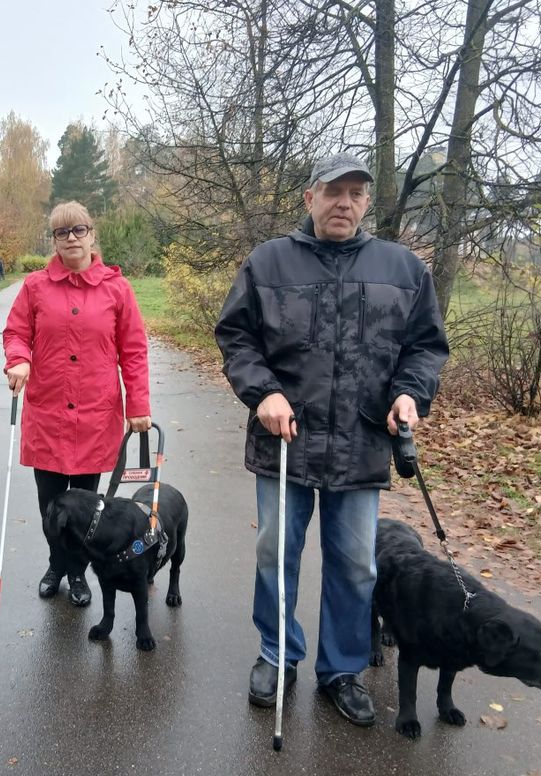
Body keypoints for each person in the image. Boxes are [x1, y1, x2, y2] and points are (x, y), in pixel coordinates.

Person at [214, 153, 448, 727]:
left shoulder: (402, 268)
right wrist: (262, 391)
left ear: (368, 203)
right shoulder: (269, 262)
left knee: (355, 566)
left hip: (363, 442)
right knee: (277, 554)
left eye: (356, 194)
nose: (345, 203)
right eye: (333, 191)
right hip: (285, 442)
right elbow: (236, 336)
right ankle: (277, 653)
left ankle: (340, 669)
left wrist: (409, 393)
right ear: (309, 198)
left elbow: (425, 346)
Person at [3, 201, 152, 607]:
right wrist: (18, 358)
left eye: (78, 230)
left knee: (88, 508)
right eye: (61, 232)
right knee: (50, 506)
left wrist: (138, 403)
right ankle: (57, 563)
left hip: (94, 416)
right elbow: (16, 332)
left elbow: (134, 350)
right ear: (53, 240)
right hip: (47, 413)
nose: (71, 238)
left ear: (92, 234)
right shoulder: (35, 286)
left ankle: (77, 572)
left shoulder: (116, 289)